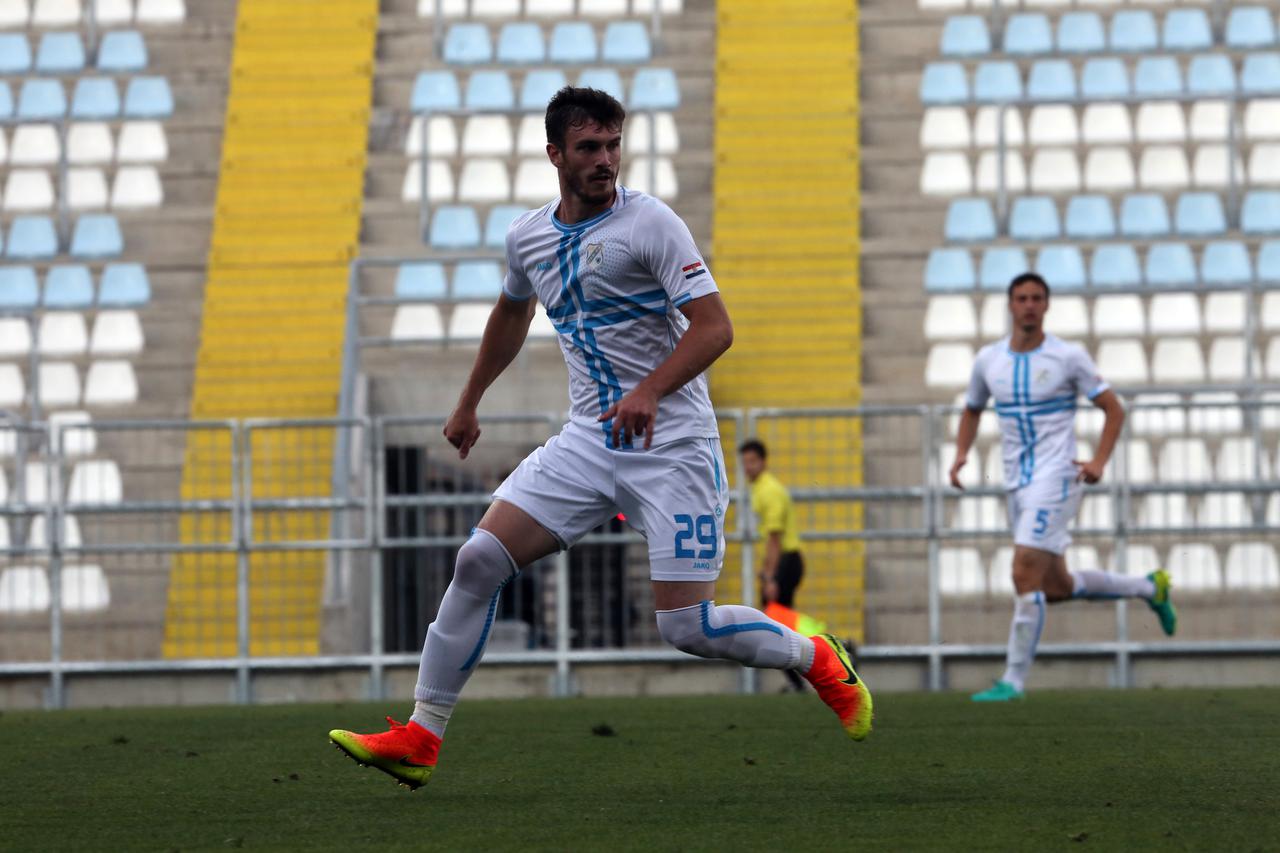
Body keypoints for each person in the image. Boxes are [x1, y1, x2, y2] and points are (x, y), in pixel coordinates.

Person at [328, 87, 872, 791]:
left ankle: (816, 657)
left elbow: (715, 327)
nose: (605, 160)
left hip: (673, 445)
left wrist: (648, 389)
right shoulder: (527, 237)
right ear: (555, 154)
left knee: (686, 627)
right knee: (476, 561)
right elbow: (511, 312)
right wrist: (468, 401)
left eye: (614, 145)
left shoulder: (652, 225)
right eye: (589, 148)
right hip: (588, 441)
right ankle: (421, 735)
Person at [950, 272, 1177, 703]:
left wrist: (1099, 461)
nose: (1030, 305)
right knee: (1054, 587)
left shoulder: (1068, 357)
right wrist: (961, 453)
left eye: (1037, 298)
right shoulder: (988, 360)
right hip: (1016, 481)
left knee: (1022, 571)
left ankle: (1012, 681)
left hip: (1058, 477)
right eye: (1022, 298)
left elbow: (1113, 409)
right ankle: (1150, 588)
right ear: (1011, 305)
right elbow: (972, 408)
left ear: (1047, 305)